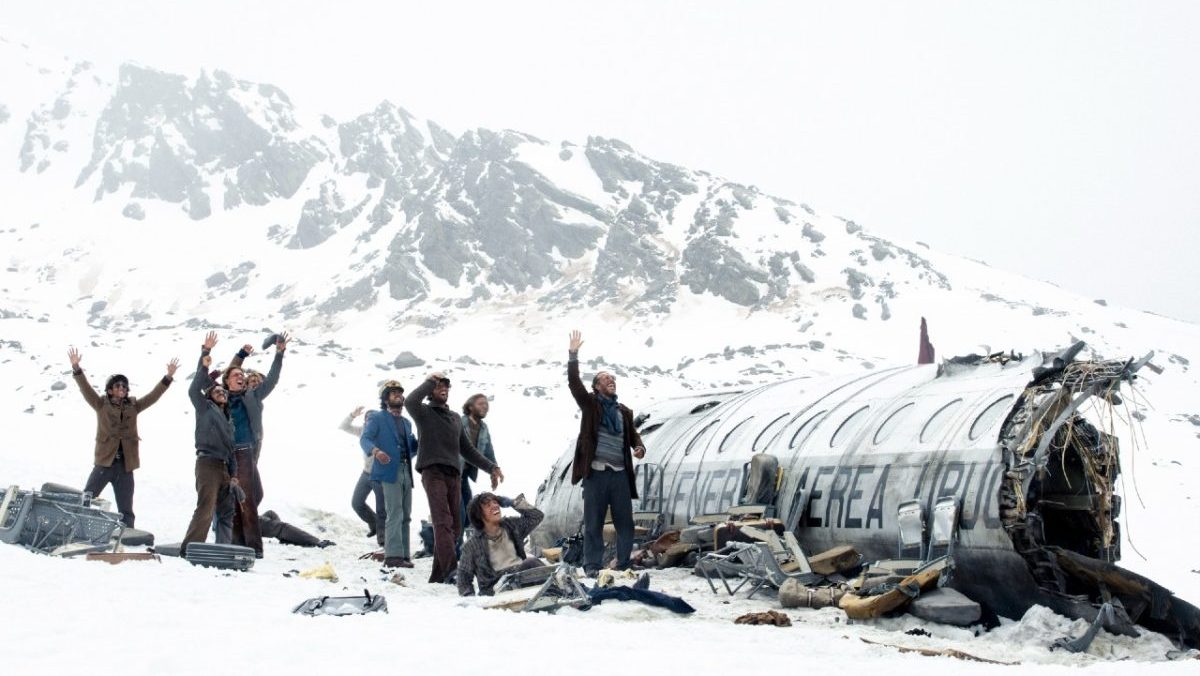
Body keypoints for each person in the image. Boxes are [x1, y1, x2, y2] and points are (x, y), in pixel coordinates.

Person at [406, 372, 504, 584]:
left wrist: (491, 467)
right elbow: (410, 400)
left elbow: (467, 449)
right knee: (443, 522)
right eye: (439, 386)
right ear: (431, 391)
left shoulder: (454, 419)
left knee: (457, 527)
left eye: (446, 386)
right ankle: (452, 571)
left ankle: (439, 575)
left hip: (454, 475)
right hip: (433, 472)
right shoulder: (423, 412)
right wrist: (430, 381)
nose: (443, 388)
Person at [67, 347, 178, 528]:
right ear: (110, 390)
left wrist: (168, 377)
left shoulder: (133, 406)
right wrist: (77, 369)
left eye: (124, 386)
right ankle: (73, 527)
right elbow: (85, 388)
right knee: (87, 497)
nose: (122, 388)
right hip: (105, 462)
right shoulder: (100, 404)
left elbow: (153, 396)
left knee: (126, 508)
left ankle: (127, 536)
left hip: (125, 466)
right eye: (118, 385)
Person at [567, 330, 646, 576]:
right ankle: (592, 566)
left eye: (613, 378)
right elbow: (574, 383)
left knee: (625, 522)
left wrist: (639, 446)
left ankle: (623, 563)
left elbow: (632, 434)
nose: (611, 380)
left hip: (620, 475)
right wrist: (573, 355)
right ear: (597, 386)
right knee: (594, 523)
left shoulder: (624, 411)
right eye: (605, 378)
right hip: (597, 473)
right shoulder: (591, 405)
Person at [214, 335, 288, 558]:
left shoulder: (252, 396)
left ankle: (254, 547)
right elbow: (230, 371)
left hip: (245, 451)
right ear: (227, 381)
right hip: (227, 453)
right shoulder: (221, 396)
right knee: (237, 498)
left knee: (248, 497)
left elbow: (272, 379)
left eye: (242, 375)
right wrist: (241, 355)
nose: (241, 377)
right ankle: (238, 541)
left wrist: (279, 354)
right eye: (237, 375)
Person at [181, 332, 242, 555]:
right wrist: (205, 355)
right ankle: (189, 548)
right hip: (207, 463)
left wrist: (234, 473)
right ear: (209, 396)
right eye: (216, 390)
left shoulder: (229, 421)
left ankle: (223, 549)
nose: (221, 392)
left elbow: (232, 450)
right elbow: (193, 388)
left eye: (223, 391)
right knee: (206, 508)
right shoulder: (204, 409)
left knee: (226, 511)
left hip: (224, 467)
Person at [361, 380, 419, 568]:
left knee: (407, 514)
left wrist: (421, 443)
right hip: (388, 471)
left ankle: (404, 555)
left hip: (405, 470)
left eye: (399, 393)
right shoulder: (377, 418)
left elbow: (411, 448)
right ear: (385, 398)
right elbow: (365, 439)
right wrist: (377, 452)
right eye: (393, 393)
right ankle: (393, 556)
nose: (398, 395)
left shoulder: (407, 423)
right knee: (395, 512)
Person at [457, 492, 544, 596]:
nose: (495, 506)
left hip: (522, 577)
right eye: (488, 505)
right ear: (479, 515)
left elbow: (537, 516)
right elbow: (463, 576)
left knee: (532, 564)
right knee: (530, 563)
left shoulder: (511, 526)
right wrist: (469, 598)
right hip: (496, 589)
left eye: (495, 502)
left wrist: (513, 502)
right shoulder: (472, 545)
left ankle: (556, 590)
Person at [340, 406, 386, 544]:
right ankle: (374, 524)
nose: (369, 421)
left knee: (382, 508)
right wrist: (352, 414)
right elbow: (343, 426)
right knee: (357, 503)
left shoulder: (383, 433)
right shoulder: (362, 431)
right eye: (367, 419)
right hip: (366, 473)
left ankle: (383, 538)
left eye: (372, 419)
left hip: (380, 476)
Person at [459, 393, 497, 546]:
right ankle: (456, 548)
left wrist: (493, 470)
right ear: (470, 406)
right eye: (481, 403)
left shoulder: (483, 428)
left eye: (486, 404)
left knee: (469, 511)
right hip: (454, 472)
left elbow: (488, 451)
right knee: (459, 512)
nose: (485, 406)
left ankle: (463, 544)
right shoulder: (459, 423)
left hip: (465, 475)